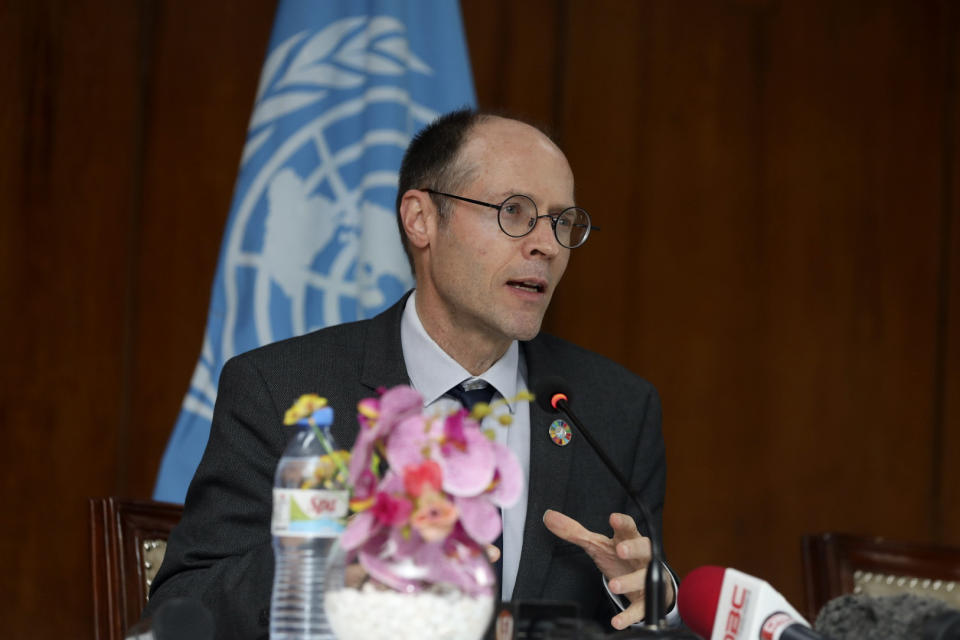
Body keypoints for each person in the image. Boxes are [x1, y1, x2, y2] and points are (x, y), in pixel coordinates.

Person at [145, 109, 676, 639]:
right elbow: (181, 611)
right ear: (421, 219)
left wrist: (657, 606)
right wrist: (325, 569)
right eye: (515, 212)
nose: (548, 245)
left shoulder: (616, 409)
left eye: (563, 221)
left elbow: (645, 613)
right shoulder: (281, 390)